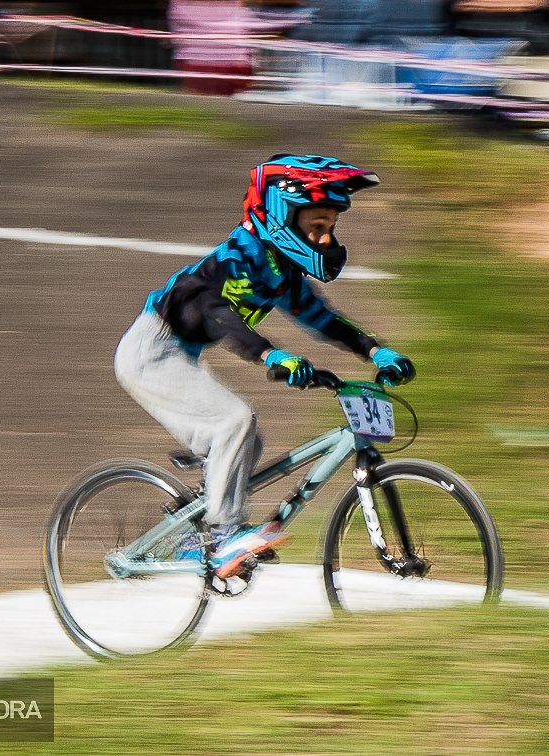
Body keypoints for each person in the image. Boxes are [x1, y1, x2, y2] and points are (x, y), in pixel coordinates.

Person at [114, 154, 415, 580]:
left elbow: (321, 318)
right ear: (281, 217)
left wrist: (374, 351)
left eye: (330, 229)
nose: (326, 241)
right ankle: (223, 537)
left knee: (245, 439)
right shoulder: (241, 256)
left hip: (178, 355)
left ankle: (195, 531)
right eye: (317, 227)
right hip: (149, 352)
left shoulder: (282, 271)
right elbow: (214, 312)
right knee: (234, 421)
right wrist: (268, 354)